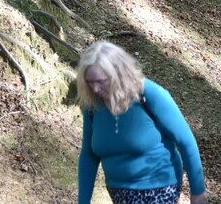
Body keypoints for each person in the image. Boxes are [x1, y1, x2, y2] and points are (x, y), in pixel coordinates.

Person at [77, 41, 208, 204]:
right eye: (90, 82)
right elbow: (89, 155)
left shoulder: (149, 94)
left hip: (159, 188)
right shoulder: (92, 106)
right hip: (119, 192)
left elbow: (186, 141)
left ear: (119, 73)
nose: (95, 89)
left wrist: (198, 192)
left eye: (101, 81)